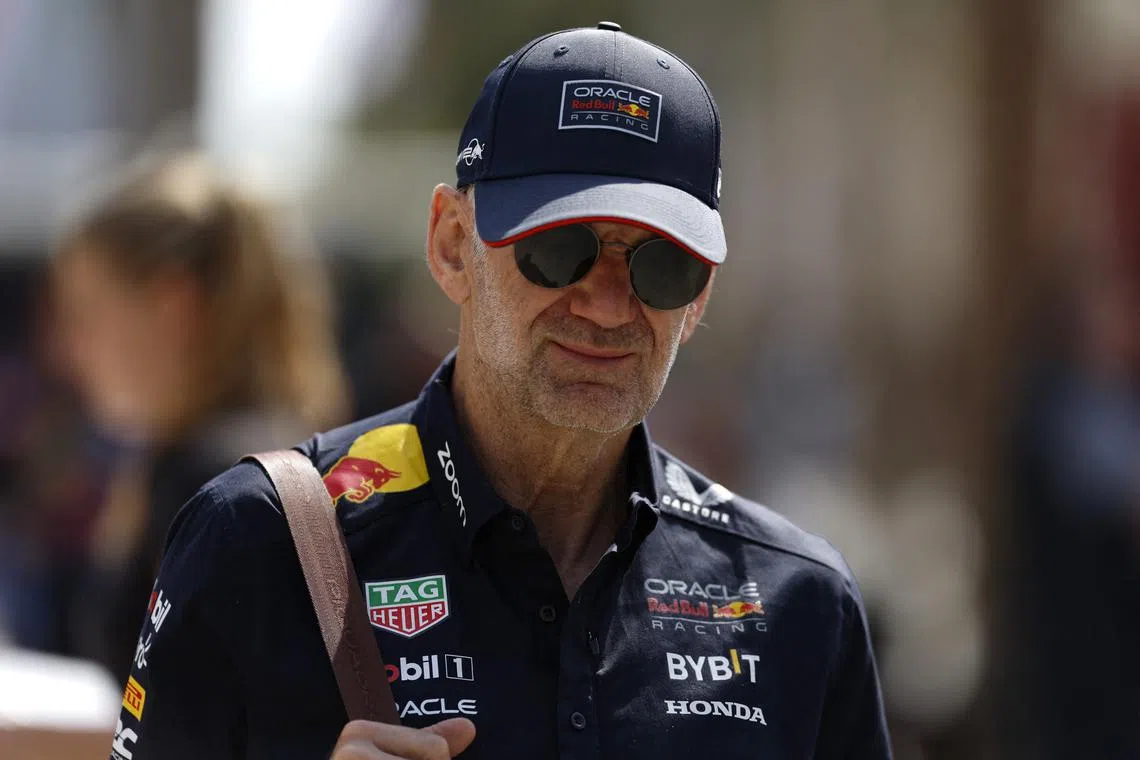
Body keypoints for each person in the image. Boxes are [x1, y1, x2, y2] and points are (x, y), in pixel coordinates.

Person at [110, 24, 892, 760]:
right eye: (559, 249)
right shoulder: (256, 543)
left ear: (700, 299)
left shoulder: (796, 601)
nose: (609, 304)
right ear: (452, 247)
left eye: (662, 265)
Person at [51, 153, 350, 684]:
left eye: (85, 311)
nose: (67, 348)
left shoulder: (214, 482)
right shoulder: (259, 458)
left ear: (172, 304)